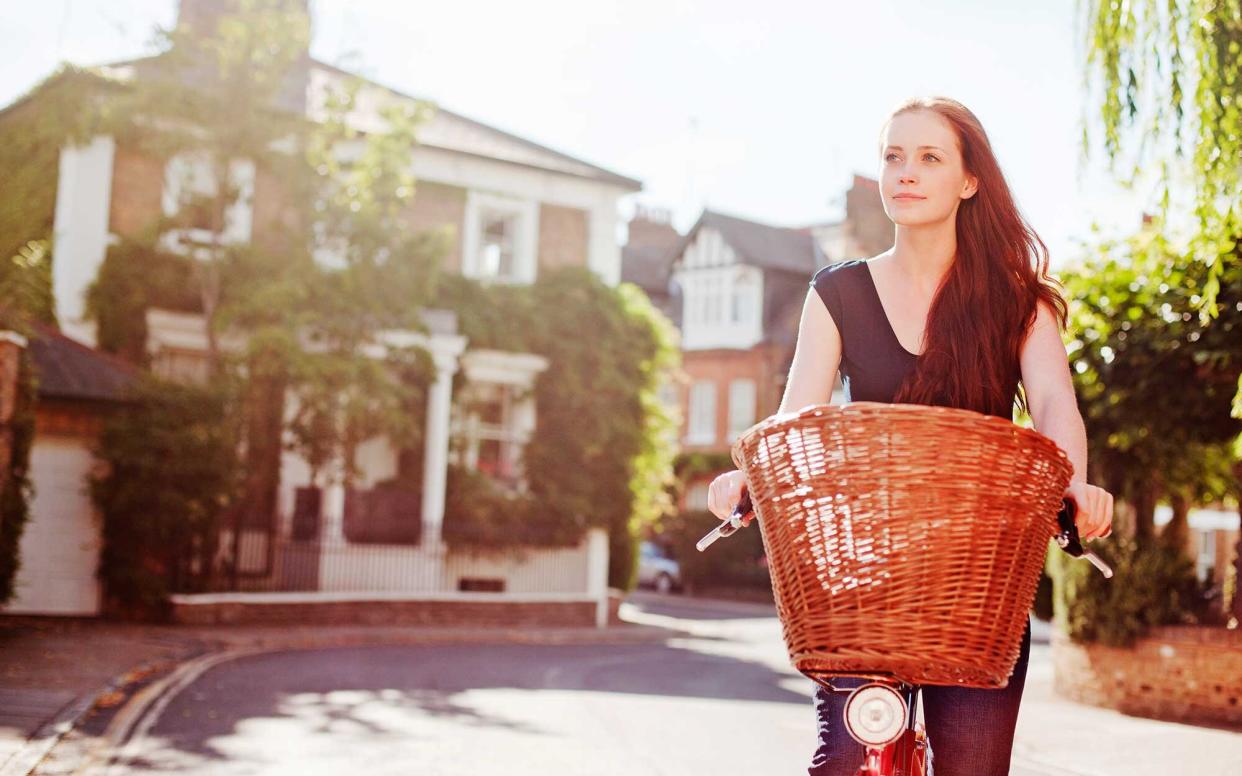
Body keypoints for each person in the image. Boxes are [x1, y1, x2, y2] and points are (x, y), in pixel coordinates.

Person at [706, 96, 1115, 776]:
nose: (905, 172)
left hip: (979, 579)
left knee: (974, 767)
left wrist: (1072, 482)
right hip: (865, 573)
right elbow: (796, 412)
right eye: (894, 156)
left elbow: (1051, 402)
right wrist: (753, 474)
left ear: (968, 180)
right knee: (843, 761)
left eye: (929, 157)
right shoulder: (837, 293)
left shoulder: (1022, 302)